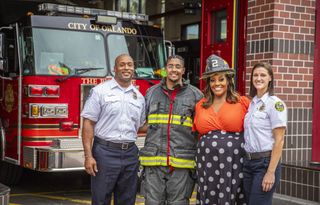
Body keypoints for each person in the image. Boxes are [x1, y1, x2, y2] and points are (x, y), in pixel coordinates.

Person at [81, 54, 145, 205]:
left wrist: (167, 121)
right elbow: (88, 123)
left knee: (127, 200)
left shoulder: (139, 97)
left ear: (133, 68)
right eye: (122, 65)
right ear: (114, 68)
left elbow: (141, 125)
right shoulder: (100, 91)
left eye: (130, 64)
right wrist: (88, 156)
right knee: (101, 199)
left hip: (130, 153)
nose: (126, 68)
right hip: (104, 152)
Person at [139, 55, 203, 205]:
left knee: (178, 202)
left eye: (178, 66)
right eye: (171, 66)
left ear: (183, 70)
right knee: (153, 202)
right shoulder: (151, 93)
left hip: (181, 164)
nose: (174, 69)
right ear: (165, 69)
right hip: (153, 162)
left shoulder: (196, 95)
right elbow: (140, 123)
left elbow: (201, 129)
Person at [193, 54, 250, 205]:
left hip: (234, 163)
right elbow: (195, 134)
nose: (216, 83)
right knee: (209, 195)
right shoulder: (200, 105)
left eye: (221, 79)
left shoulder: (242, 102)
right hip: (206, 162)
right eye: (212, 80)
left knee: (232, 194)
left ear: (228, 80)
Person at [243, 62, 287, 205]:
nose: (258, 78)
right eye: (255, 75)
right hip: (248, 163)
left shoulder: (275, 104)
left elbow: (279, 140)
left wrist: (270, 172)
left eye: (263, 75)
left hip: (265, 164)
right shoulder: (252, 103)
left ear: (270, 78)